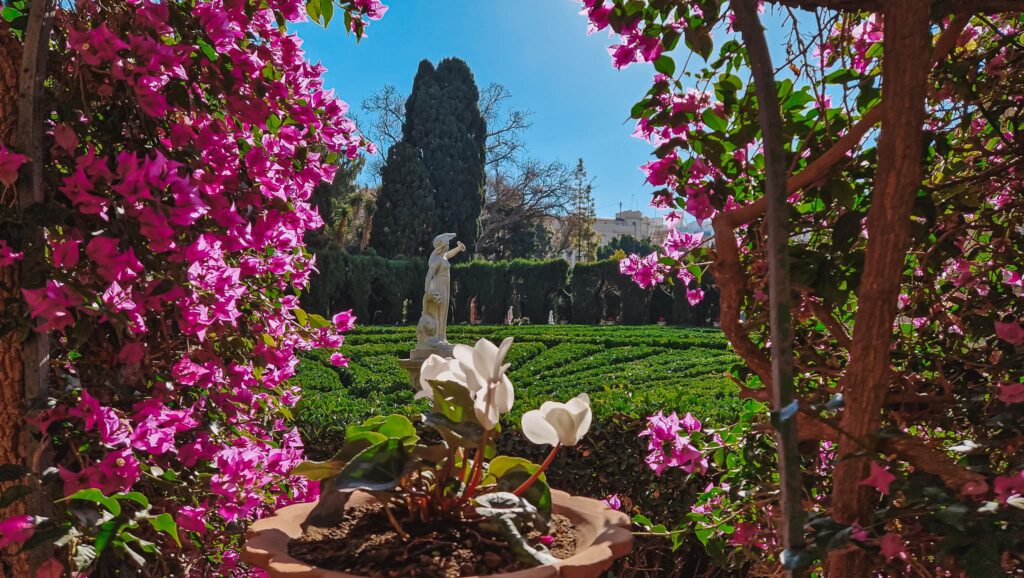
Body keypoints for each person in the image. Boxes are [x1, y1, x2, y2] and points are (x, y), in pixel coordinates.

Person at [417, 233, 465, 348]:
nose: (448, 245)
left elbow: (449, 254)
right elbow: (429, 275)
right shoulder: (437, 259)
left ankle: (442, 337)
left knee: (444, 312)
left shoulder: (443, 257)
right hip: (439, 285)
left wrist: (458, 249)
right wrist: (427, 290)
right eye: (447, 243)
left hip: (445, 286)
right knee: (439, 312)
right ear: (442, 245)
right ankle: (438, 337)